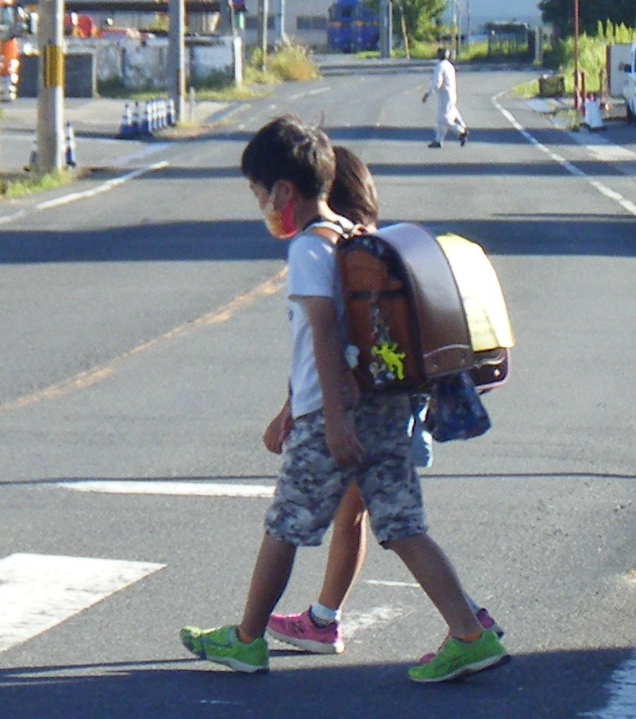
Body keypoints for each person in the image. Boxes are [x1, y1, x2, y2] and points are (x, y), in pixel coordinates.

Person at [184, 116, 506, 682]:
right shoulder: (354, 239)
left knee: (285, 523)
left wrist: (330, 418)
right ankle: (469, 634)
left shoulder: (310, 249)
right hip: (384, 405)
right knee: (402, 524)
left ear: (284, 190)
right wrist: (290, 409)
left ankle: (246, 639)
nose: (259, 203)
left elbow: (325, 335)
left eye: (258, 192)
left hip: (336, 413)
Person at [264, 146, 495, 655]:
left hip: (364, 411)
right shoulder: (369, 247)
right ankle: (329, 616)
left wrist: (310, 416)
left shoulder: (329, 253)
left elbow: (325, 339)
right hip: (398, 402)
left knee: (380, 521)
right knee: (375, 516)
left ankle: (467, 620)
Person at [426, 48, 469, 147]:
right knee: (448, 115)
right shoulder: (450, 66)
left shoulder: (440, 66)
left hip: (444, 96)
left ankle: (461, 131)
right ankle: (438, 140)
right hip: (451, 94)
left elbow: (437, 83)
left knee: (443, 119)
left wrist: (428, 93)